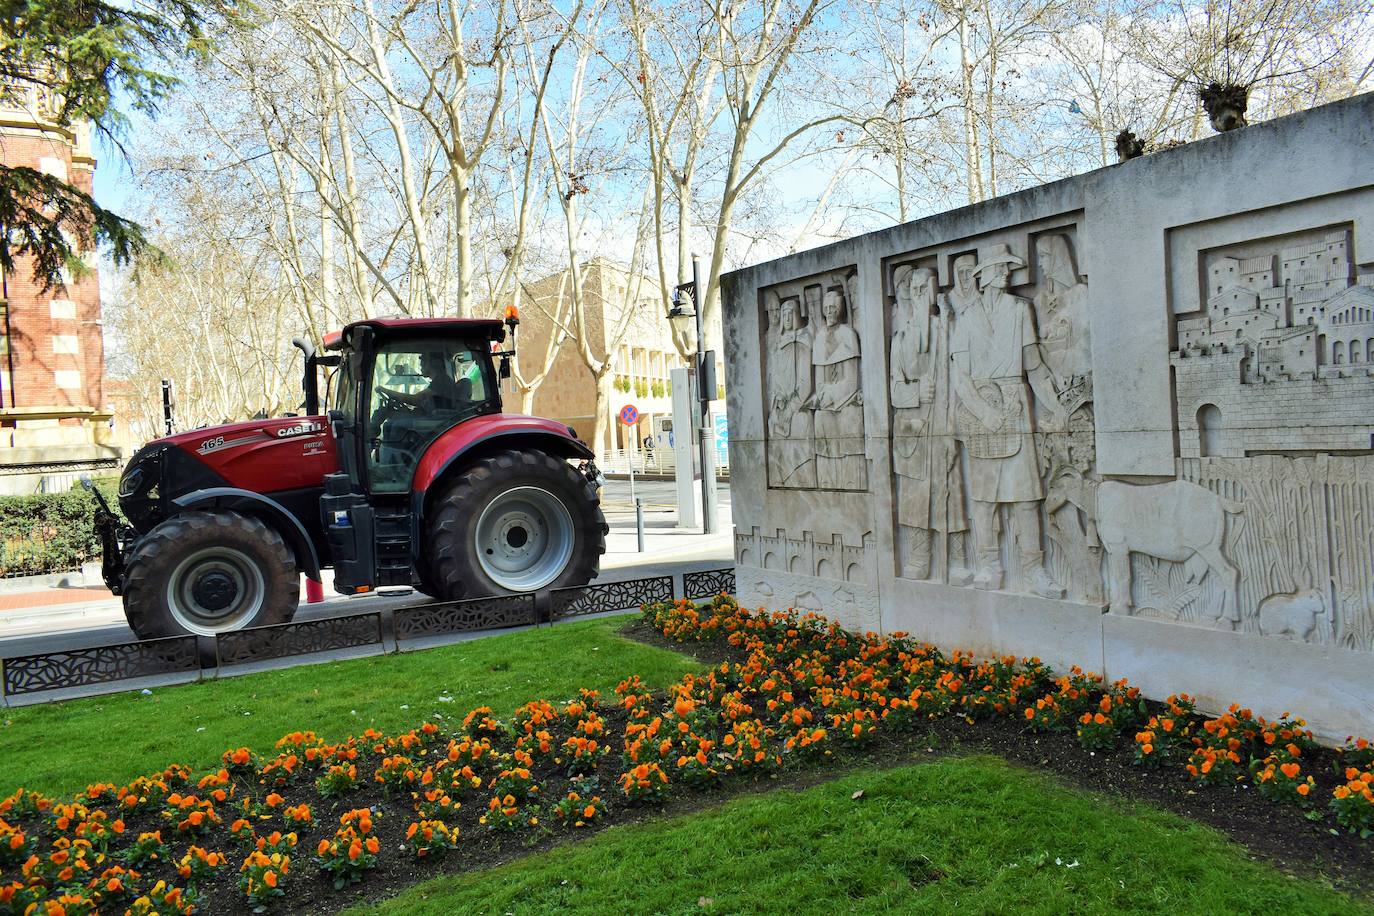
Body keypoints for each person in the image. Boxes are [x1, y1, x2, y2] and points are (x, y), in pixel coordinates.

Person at [949, 243, 1065, 596]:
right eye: (999, 267)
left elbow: (1034, 366)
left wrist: (1056, 407)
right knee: (984, 500)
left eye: (1007, 267)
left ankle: (1034, 570)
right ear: (984, 275)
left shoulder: (1019, 310)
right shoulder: (966, 318)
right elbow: (960, 375)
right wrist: (984, 413)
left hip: (1015, 405)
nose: (1005, 272)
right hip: (980, 410)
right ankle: (988, 565)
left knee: (1028, 498)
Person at [891, 265, 967, 580]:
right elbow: (895, 389)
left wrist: (950, 429)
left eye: (927, 290)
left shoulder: (946, 330)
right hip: (912, 433)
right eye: (917, 290)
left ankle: (959, 560)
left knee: (948, 490)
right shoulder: (900, 339)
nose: (922, 296)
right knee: (914, 501)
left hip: (940, 425)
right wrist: (917, 391)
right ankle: (920, 556)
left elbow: (957, 381)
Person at [806, 284, 865, 489]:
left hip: (847, 398)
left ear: (841, 310)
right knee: (821, 418)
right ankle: (828, 481)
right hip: (828, 401)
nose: (830, 312)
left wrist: (833, 396)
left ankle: (852, 481)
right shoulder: (820, 338)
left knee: (850, 417)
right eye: (827, 308)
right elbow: (820, 381)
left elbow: (852, 380)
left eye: (834, 308)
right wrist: (825, 396)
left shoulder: (848, 334)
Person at [379, 350, 467, 414]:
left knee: (394, 424)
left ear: (434, 362)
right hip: (432, 418)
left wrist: (385, 391)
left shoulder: (442, 380)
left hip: (435, 423)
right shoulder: (440, 380)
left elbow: (414, 399)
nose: (420, 365)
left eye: (423, 361)